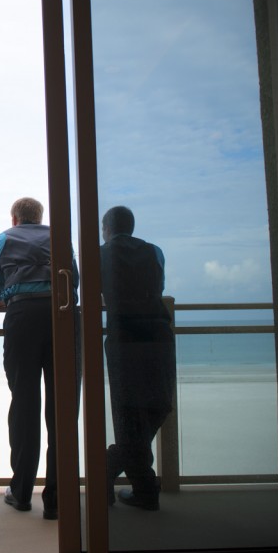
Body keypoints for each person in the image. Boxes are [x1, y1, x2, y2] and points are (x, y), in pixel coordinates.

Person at [0, 197, 77, 520]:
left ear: (14, 219)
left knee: (24, 403)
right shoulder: (59, 238)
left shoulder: (0, 241)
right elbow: (72, 282)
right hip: (63, 319)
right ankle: (56, 498)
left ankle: (22, 492)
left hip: (22, 316)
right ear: (41, 218)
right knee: (61, 408)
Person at [100, 206, 175, 511]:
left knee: (128, 412)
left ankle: (108, 466)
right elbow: (159, 288)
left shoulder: (100, 254)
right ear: (131, 227)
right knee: (159, 405)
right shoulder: (155, 252)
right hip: (158, 333)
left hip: (124, 336)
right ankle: (144, 488)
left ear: (106, 228)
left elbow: (95, 294)